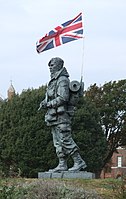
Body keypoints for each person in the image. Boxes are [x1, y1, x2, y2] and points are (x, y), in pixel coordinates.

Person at [39, 57, 86, 172]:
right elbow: (51, 95)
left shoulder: (62, 80)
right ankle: (62, 164)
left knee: (65, 139)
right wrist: (44, 102)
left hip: (62, 116)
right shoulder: (54, 80)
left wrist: (49, 104)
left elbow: (63, 98)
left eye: (53, 65)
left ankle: (79, 161)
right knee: (57, 142)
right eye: (49, 65)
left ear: (59, 65)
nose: (50, 67)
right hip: (53, 117)